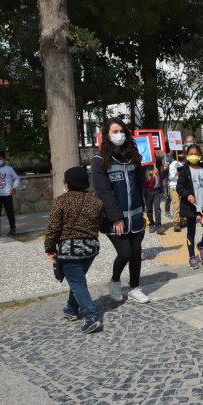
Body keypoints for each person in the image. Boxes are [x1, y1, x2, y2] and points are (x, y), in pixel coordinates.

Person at [91, 118, 150, 304]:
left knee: (136, 252)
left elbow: (140, 185)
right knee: (125, 252)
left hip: (136, 215)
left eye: (121, 131)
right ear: (107, 135)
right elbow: (104, 192)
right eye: (114, 132)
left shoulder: (133, 157)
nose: (119, 135)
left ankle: (134, 288)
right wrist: (116, 218)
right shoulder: (99, 160)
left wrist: (144, 209)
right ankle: (115, 281)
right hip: (114, 218)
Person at [44, 167, 104, 333]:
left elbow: (53, 228)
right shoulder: (96, 201)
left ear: (68, 183)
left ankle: (91, 317)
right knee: (76, 279)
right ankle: (71, 309)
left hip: (70, 249)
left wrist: (49, 248)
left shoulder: (61, 201)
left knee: (77, 283)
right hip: (91, 248)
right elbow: (98, 225)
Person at [176, 144, 203, 269]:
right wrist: (187, 195)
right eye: (190, 154)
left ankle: (202, 245)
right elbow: (179, 187)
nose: (193, 156)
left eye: (195, 153)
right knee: (191, 232)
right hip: (191, 206)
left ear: (200, 155)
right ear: (186, 155)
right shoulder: (184, 170)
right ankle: (191, 256)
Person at [143, 157, 164, 235]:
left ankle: (158, 225)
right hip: (148, 191)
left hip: (156, 190)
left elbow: (163, 175)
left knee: (157, 208)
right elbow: (145, 182)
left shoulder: (157, 165)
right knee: (149, 209)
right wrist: (152, 175)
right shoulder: (143, 166)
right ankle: (151, 223)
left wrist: (164, 169)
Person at [168, 151, 184, 232]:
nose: (182, 155)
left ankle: (182, 220)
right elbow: (170, 177)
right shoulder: (172, 164)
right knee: (176, 205)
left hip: (181, 186)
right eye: (180, 154)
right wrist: (176, 174)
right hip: (174, 186)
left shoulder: (181, 164)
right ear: (177, 155)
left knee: (182, 204)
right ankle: (176, 222)